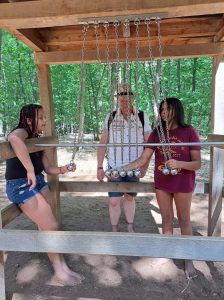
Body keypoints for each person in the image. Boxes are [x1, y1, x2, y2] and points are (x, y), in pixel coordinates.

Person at [112, 97, 201, 278]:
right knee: (166, 218)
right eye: (161, 110)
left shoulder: (189, 131)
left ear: (177, 109)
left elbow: (197, 164)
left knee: (184, 220)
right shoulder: (156, 133)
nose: (163, 113)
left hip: (183, 182)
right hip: (162, 182)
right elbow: (143, 159)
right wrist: (120, 169)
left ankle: (188, 259)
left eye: (167, 109)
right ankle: (166, 253)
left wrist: (179, 164)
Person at [5, 103, 85, 286]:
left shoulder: (36, 140)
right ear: (28, 120)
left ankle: (62, 267)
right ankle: (59, 272)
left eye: (44, 117)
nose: (44, 121)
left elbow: (48, 168)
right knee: (52, 224)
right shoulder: (21, 132)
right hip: (21, 186)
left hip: (38, 182)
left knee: (48, 225)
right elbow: (14, 139)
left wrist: (64, 169)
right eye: (40, 117)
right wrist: (30, 170)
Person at [97, 84, 152, 232]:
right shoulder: (110, 117)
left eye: (127, 95)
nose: (124, 99)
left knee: (129, 197)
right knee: (114, 201)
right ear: (117, 99)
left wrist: (145, 166)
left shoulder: (142, 116)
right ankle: (114, 230)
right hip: (114, 166)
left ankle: (129, 227)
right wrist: (100, 166)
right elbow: (102, 143)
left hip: (135, 167)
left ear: (132, 97)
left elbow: (149, 143)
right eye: (121, 96)